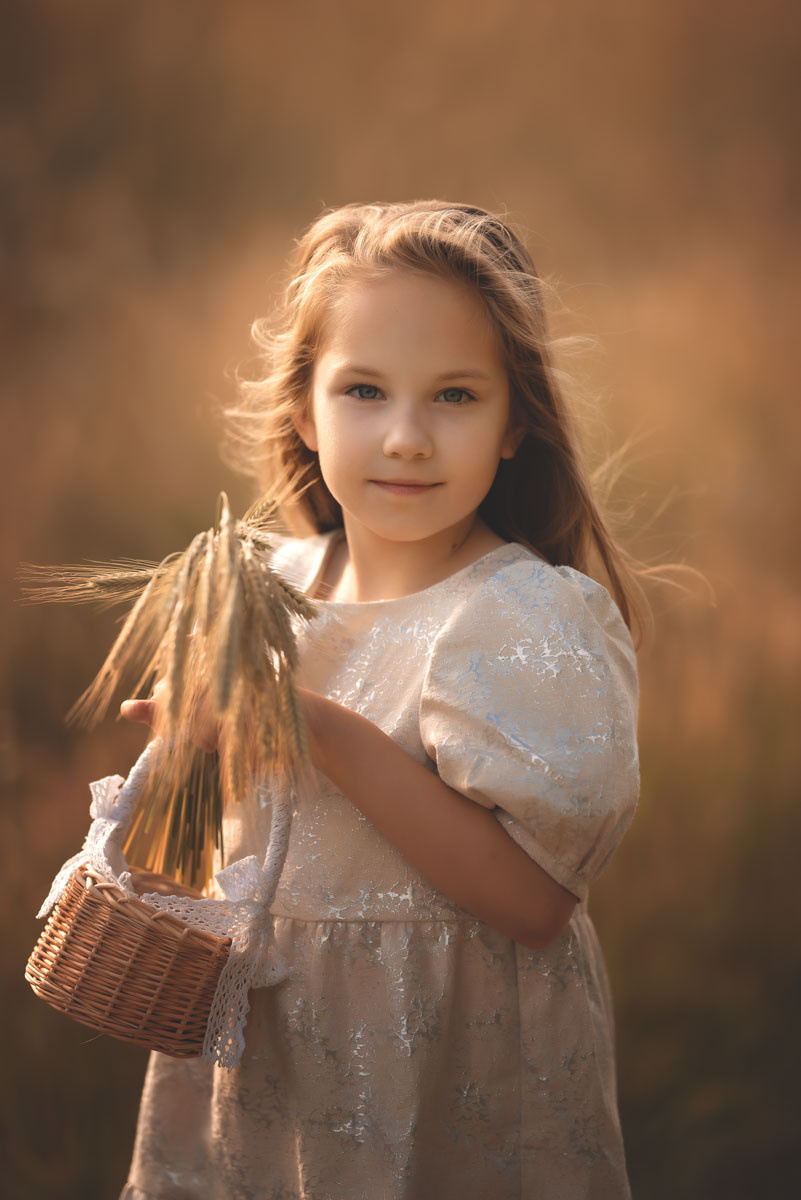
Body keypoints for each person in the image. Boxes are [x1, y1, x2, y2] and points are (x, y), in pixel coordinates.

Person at [119, 200, 642, 1199]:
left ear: (514, 421)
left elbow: (533, 903)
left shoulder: (520, 620)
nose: (405, 437)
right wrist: (186, 756)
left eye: (453, 396)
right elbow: (208, 846)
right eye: (364, 390)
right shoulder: (263, 586)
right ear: (305, 410)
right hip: (267, 1062)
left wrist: (321, 733)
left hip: (447, 1073)